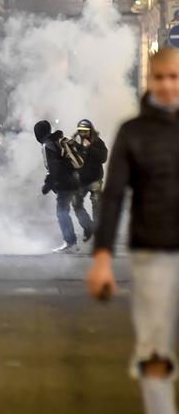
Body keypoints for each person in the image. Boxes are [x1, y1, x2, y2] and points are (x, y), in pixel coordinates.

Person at [87, 47, 179, 414]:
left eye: (174, 77)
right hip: (151, 253)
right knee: (154, 350)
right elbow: (112, 197)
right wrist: (102, 258)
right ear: (149, 81)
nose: (167, 85)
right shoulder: (132, 132)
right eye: (160, 78)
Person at [34, 120, 93, 253]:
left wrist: (47, 186)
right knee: (77, 206)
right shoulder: (59, 140)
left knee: (62, 212)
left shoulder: (47, 145)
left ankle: (70, 243)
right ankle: (91, 228)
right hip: (75, 179)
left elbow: (53, 168)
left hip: (64, 183)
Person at [72, 119, 108, 223]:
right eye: (80, 131)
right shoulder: (74, 142)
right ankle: (88, 227)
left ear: (90, 130)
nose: (83, 134)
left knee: (97, 203)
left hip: (95, 179)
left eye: (85, 131)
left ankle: (97, 230)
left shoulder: (97, 142)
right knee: (76, 203)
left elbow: (104, 158)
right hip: (80, 181)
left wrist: (89, 148)